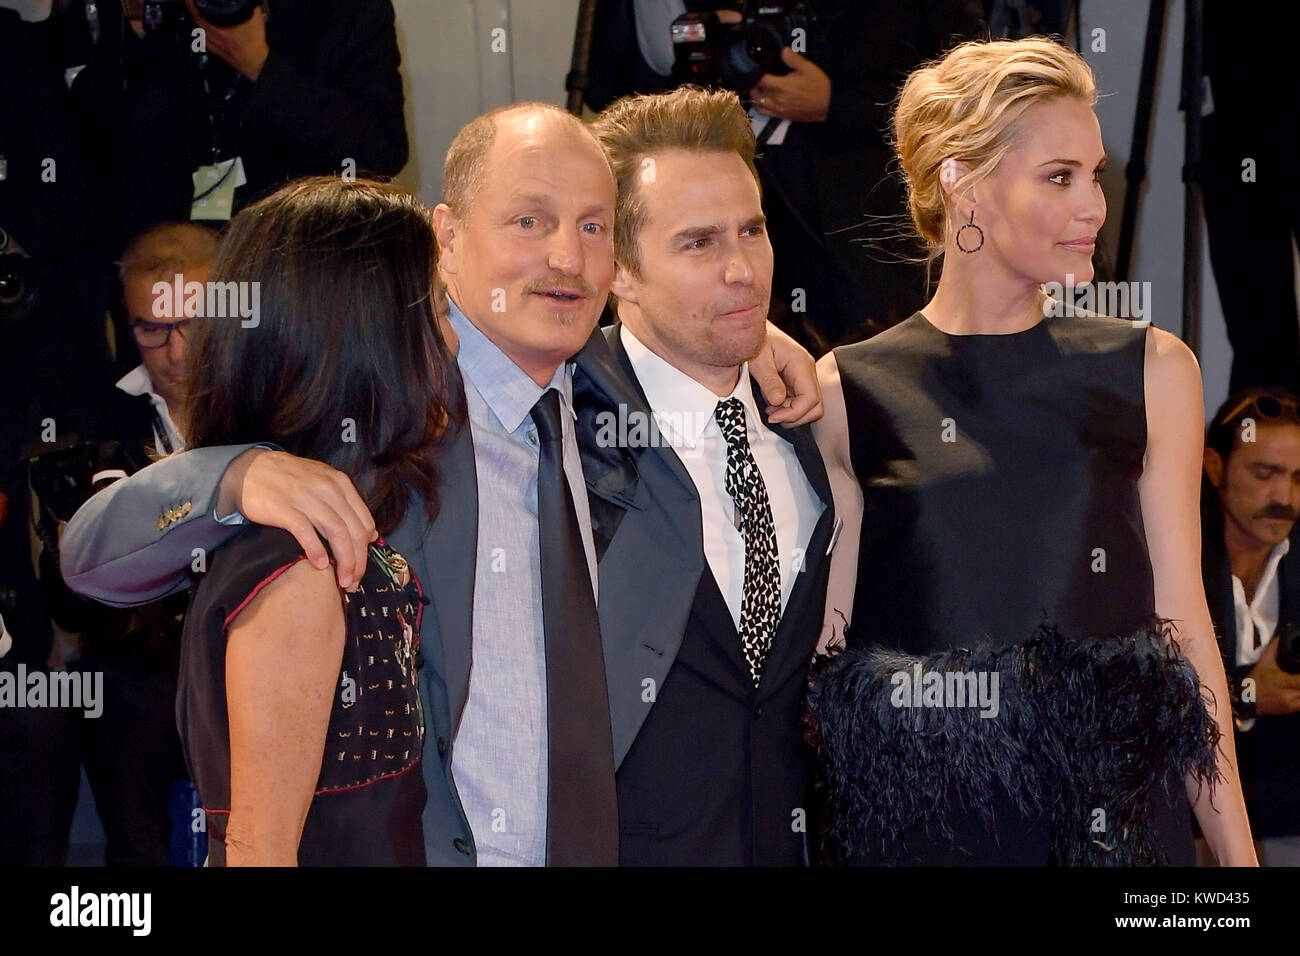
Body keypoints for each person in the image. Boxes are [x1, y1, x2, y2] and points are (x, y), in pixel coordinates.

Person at [60, 102, 823, 866]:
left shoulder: (614, 397)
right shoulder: (377, 403)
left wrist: (750, 339)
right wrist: (232, 472)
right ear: (447, 236)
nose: (567, 257)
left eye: (593, 226)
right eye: (530, 221)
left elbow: (687, 324)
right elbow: (92, 555)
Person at [808, 37, 1257, 866]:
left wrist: (1237, 860)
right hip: (926, 827)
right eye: (1060, 177)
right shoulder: (848, 390)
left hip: (1113, 816)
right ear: (962, 181)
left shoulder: (1152, 369)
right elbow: (829, 662)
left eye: (1094, 174)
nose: (1095, 206)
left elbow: (1186, 627)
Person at [587, 87, 834, 865]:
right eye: (697, 243)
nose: (741, 268)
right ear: (619, 269)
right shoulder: (559, 420)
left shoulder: (815, 415)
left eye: (752, 231)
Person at [179, 177, 454, 865]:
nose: (451, 343)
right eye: (438, 313)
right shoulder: (301, 572)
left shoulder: (326, 535)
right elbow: (260, 850)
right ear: (368, 342)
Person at [1202, 388, 1300, 865]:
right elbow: (1136, 702)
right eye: (1265, 475)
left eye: (1299, 478)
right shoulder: (1170, 560)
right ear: (1215, 467)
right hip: (1189, 822)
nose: (1284, 498)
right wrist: (1245, 694)